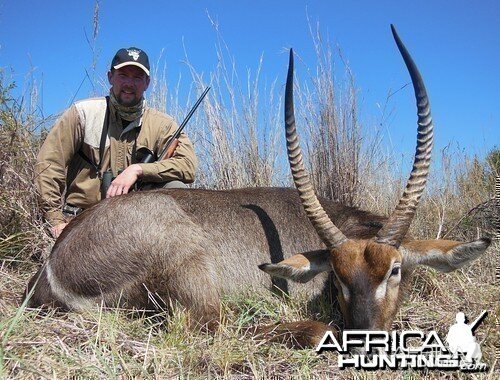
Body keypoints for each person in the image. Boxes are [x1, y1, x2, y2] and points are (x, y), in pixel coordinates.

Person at [35, 47, 198, 238]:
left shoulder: (163, 125)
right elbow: (49, 164)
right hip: (83, 222)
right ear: (110, 77)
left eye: (137, 77)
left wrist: (138, 170)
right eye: (123, 75)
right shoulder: (83, 114)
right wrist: (55, 221)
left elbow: (188, 166)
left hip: (136, 224)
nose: (129, 83)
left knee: (176, 188)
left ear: (147, 83)